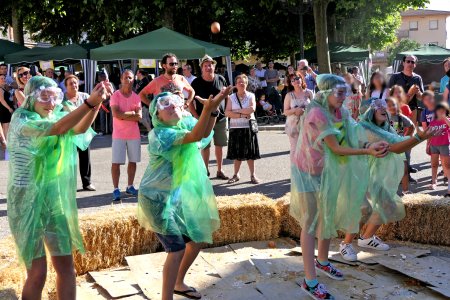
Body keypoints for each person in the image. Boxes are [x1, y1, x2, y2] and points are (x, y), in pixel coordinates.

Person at [7, 76, 111, 300]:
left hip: (52, 200)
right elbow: (57, 128)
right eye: (45, 97)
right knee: (37, 273)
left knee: (67, 268)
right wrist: (89, 103)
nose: (51, 103)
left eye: (55, 97)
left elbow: (79, 128)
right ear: (32, 97)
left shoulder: (54, 116)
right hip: (26, 202)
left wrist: (97, 103)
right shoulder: (22, 118)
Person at [291, 74, 389, 299]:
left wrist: (370, 144)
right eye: (340, 93)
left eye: (345, 92)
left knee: (327, 215)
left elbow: (351, 138)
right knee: (310, 221)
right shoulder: (317, 112)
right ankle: (310, 281)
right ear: (326, 93)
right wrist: (367, 150)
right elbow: (336, 147)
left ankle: (322, 261)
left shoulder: (340, 111)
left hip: (327, 170)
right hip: (307, 171)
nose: (345, 97)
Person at [137, 86, 232, 300]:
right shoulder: (160, 134)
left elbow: (205, 132)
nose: (171, 106)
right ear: (156, 115)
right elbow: (197, 134)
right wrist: (207, 109)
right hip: (156, 200)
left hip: (173, 198)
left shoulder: (184, 123)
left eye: (173, 102)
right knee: (177, 249)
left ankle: (178, 282)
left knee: (196, 239)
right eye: (164, 105)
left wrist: (213, 110)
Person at [339, 98, 438, 262]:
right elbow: (396, 146)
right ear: (370, 112)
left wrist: (420, 136)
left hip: (374, 173)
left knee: (387, 204)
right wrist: (419, 138)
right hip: (359, 172)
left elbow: (399, 141)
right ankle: (345, 244)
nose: (384, 109)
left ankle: (366, 238)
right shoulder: (365, 128)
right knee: (362, 208)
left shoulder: (385, 126)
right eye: (379, 107)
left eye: (385, 106)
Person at [190, 55, 229, 179]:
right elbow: (190, 101)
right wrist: (196, 116)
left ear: (214, 66)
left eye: (210, 65)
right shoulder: (196, 82)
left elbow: (227, 96)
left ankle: (220, 170)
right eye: (205, 65)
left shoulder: (221, 79)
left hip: (220, 118)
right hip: (204, 120)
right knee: (205, 146)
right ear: (202, 68)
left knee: (220, 145)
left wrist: (227, 112)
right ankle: (205, 171)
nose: (208, 67)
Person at [110, 70, 142, 201]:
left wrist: (124, 114)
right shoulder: (115, 95)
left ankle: (130, 186)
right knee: (116, 162)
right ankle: (116, 188)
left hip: (134, 134)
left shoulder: (136, 97)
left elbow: (139, 116)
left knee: (133, 161)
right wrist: (131, 113)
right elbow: (116, 114)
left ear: (133, 79)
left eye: (130, 78)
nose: (127, 80)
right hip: (118, 134)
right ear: (121, 79)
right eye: (125, 78)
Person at [62, 74, 97, 191]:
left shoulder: (85, 97)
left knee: (85, 159)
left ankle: (87, 183)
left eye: (75, 83)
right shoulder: (62, 100)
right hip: (69, 133)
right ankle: (69, 184)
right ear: (66, 86)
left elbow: (93, 110)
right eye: (71, 83)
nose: (74, 85)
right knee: (69, 160)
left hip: (83, 133)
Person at [225, 74, 261, 184]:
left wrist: (235, 111)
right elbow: (227, 112)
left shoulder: (251, 95)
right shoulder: (231, 97)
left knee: (250, 153)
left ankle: (253, 175)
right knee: (237, 154)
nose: (241, 83)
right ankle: (236, 175)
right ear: (236, 84)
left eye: (243, 82)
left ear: (246, 84)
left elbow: (252, 109)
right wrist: (241, 114)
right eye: (239, 81)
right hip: (236, 128)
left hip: (248, 127)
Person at [386, 97, 415, 194]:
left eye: (393, 105)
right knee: (390, 170)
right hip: (390, 147)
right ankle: (390, 192)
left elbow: (412, 127)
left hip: (401, 146)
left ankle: (405, 191)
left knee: (404, 170)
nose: (392, 107)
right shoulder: (384, 118)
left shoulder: (401, 117)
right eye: (389, 105)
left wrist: (405, 138)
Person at [284, 73, 313, 162]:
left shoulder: (309, 92)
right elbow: (285, 112)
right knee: (295, 148)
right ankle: (295, 172)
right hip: (293, 125)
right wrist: (295, 110)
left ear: (301, 79)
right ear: (291, 83)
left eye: (297, 78)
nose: (296, 81)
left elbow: (315, 108)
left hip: (307, 125)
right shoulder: (289, 95)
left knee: (308, 149)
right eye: (293, 80)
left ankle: (307, 171)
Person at [388, 55, 424, 124]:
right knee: (398, 131)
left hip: (412, 110)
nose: (410, 63)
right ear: (403, 63)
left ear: (415, 65)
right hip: (397, 109)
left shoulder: (417, 78)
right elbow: (389, 93)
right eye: (408, 61)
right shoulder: (395, 76)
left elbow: (421, 98)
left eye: (412, 62)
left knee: (411, 131)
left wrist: (418, 93)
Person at [428, 102, 450, 195]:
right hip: (434, 145)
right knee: (434, 164)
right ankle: (434, 182)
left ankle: (449, 184)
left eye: (442, 110)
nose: (440, 112)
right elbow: (429, 134)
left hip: (445, 145)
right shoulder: (433, 122)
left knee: (447, 165)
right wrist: (428, 145)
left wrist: (444, 117)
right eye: (438, 110)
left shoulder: (447, 120)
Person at [134, 69, 152, 133]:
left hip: (143, 102)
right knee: (145, 117)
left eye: (137, 73)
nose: (136, 74)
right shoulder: (141, 81)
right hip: (140, 102)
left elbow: (147, 93)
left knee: (142, 118)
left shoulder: (145, 81)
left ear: (140, 73)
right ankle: (149, 131)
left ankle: (149, 130)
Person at [0, 74, 14, 141]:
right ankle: (6, 142)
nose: (3, 80)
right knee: (6, 126)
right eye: (1, 78)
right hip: (4, 109)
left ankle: (6, 141)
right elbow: (2, 100)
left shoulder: (4, 87)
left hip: (5, 109)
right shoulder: (0, 89)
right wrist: (9, 108)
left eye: (4, 78)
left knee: (6, 126)